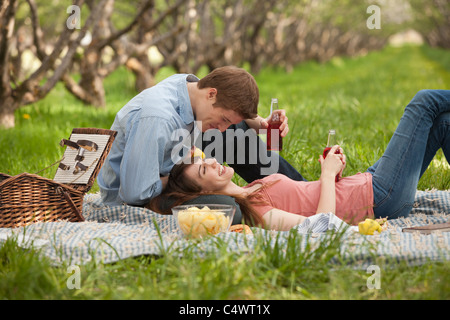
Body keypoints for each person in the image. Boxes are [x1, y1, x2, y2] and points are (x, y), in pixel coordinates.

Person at [148, 90, 450, 231]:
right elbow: (321, 227)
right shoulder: (256, 210)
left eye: (206, 160)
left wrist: (334, 174)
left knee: (443, 123)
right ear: (204, 193)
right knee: (424, 102)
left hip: (367, 182)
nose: (213, 162)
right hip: (380, 197)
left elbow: (308, 195)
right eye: (204, 169)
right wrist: (327, 174)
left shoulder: (253, 187)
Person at [98, 66, 305, 209]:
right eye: (224, 119)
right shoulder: (158, 119)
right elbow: (135, 193)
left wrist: (261, 123)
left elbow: (230, 104)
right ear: (211, 94)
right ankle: (283, 201)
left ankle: (302, 190)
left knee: (234, 132)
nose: (222, 128)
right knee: (230, 209)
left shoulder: (191, 87)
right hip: (135, 193)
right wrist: (184, 175)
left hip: (169, 161)